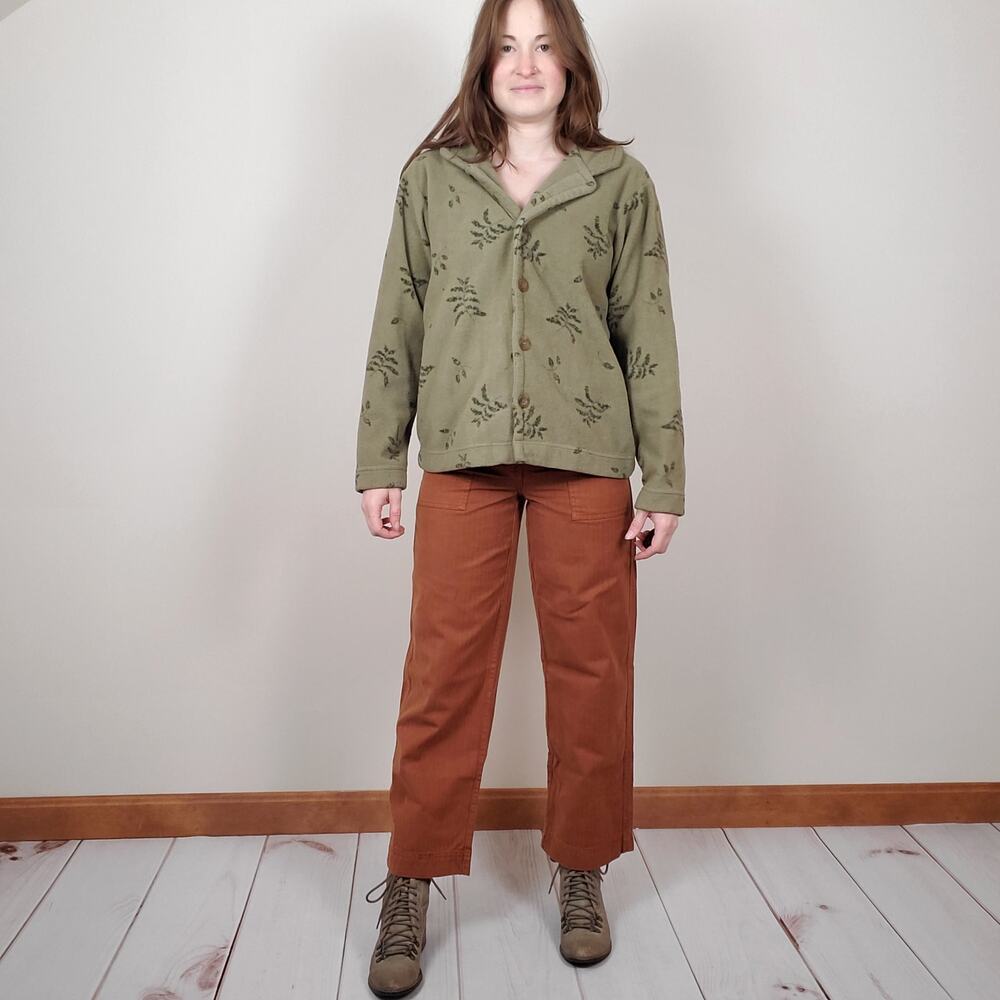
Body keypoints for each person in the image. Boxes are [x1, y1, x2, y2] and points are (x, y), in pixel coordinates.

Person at [355, 0, 685, 994]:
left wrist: (664, 476)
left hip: (589, 456)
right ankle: (410, 880)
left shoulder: (619, 184)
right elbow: (398, 318)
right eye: (506, 46)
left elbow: (648, 331)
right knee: (442, 674)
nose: (526, 63)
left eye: (544, 45)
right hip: (462, 455)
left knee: (592, 673)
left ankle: (581, 868)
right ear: (483, 62)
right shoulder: (431, 180)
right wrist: (380, 460)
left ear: (572, 61)